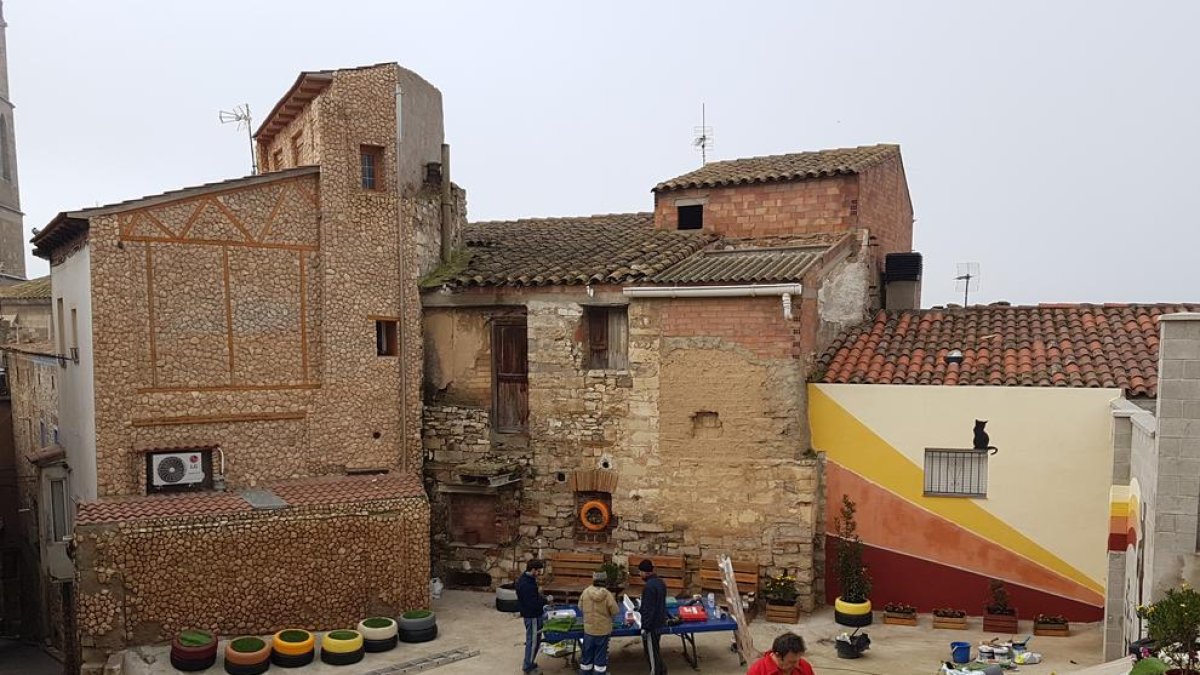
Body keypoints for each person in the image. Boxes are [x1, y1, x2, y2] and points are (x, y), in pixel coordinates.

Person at [578, 571, 620, 674]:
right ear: (604, 581)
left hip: (589, 631)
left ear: (594, 580)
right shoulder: (608, 595)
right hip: (602, 631)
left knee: (587, 655)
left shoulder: (586, 592)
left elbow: (580, 607)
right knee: (600, 656)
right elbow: (615, 611)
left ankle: (585, 672)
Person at [516, 559, 549, 674]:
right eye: (538, 571)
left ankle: (530, 662)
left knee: (536, 641)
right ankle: (528, 667)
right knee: (533, 642)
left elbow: (535, 596)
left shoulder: (529, 579)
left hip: (534, 614)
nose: (539, 573)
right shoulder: (526, 585)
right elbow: (533, 603)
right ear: (533, 569)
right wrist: (545, 601)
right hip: (532, 616)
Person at [638, 558, 668, 674]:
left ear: (645, 572)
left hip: (652, 626)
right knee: (655, 651)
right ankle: (663, 671)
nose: (639, 574)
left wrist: (645, 627)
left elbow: (649, 609)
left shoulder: (649, 587)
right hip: (659, 622)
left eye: (640, 572)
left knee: (651, 655)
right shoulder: (660, 583)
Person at [746, 632, 814, 675]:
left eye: (798, 660)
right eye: (791, 662)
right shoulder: (757, 671)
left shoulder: (804, 666)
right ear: (777, 655)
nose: (797, 665)